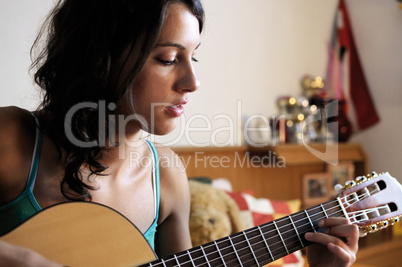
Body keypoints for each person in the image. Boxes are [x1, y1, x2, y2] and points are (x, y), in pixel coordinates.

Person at [0, 0, 359, 266]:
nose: (192, 82)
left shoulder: (167, 176)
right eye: (169, 58)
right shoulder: (12, 139)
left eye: (194, 57)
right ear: (100, 58)